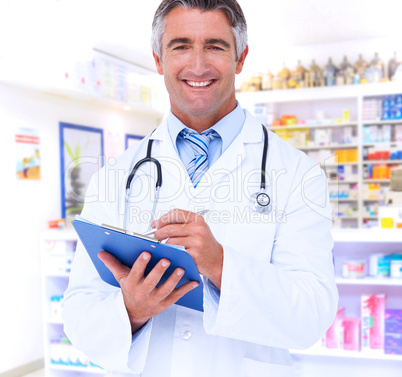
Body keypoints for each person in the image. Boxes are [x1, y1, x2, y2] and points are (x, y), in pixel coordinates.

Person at [63, 1, 338, 376]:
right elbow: (78, 315)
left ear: (240, 57)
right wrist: (131, 309)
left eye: (215, 45)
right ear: (159, 59)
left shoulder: (299, 173)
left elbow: (312, 316)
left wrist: (221, 265)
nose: (197, 65)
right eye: (180, 46)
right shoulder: (115, 176)